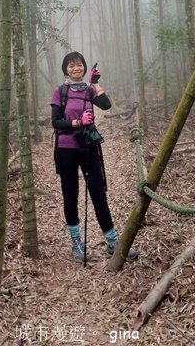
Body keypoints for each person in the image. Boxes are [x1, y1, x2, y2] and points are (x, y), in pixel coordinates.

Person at [51, 51, 138, 263]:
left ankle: (112, 241)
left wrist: (96, 83)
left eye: (79, 65)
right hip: (66, 149)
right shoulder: (60, 92)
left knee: (98, 193)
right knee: (70, 196)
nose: (75, 68)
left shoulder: (89, 91)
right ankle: (76, 244)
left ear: (84, 67)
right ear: (65, 69)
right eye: (71, 66)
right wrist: (77, 123)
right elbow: (55, 122)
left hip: (88, 146)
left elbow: (106, 105)